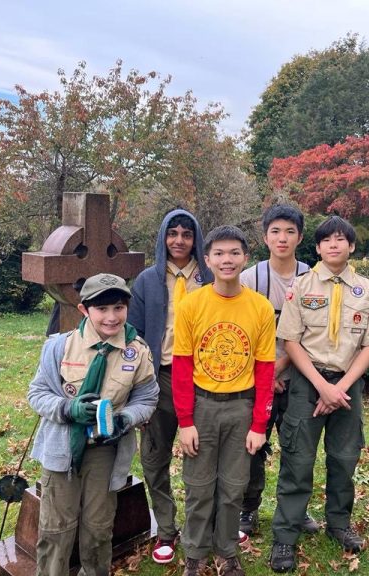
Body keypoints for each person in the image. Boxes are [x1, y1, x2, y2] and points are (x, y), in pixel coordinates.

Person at [268, 216, 369, 572]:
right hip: (308, 383)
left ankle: (338, 524)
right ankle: (285, 537)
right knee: (298, 461)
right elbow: (290, 340)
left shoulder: (366, 290)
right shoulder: (302, 286)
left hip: (348, 384)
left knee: (344, 458)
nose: (334, 245)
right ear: (317, 247)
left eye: (341, 239)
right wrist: (322, 386)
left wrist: (340, 387)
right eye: (327, 240)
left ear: (351, 246)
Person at [27, 273, 159, 576]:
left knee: (98, 529)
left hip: (105, 451)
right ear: (85, 309)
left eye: (118, 307)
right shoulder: (60, 347)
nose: (112, 317)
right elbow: (37, 393)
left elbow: (147, 397)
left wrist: (126, 419)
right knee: (56, 530)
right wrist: (66, 407)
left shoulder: (136, 352)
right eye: (102, 309)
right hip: (63, 450)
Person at [172, 225, 276, 576]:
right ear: (207, 259)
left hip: (241, 408)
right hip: (202, 407)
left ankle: (226, 551)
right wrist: (185, 422)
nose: (227, 260)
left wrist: (259, 425)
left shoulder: (259, 308)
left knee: (233, 488)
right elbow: (183, 368)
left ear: (246, 258)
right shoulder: (192, 305)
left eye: (234, 253)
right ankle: (195, 554)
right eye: (219, 253)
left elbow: (265, 371)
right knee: (199, 487)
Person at [128, 209, 213, 565]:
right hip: (159, 376)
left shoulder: (210, 277)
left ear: (197, 239)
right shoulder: (147, 280)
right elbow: (131, 335)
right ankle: (165, 528)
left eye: (186, 234)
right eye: (172, 233)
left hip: (202, 378)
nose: (179, 240)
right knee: (154, 456)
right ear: (163, 236)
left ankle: (202, 527)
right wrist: (138, 388)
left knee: (204, 456)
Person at [237, 204, 320, 537]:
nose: (282, 238)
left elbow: (316, 333)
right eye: (275, 231)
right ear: (265, 235)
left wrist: (280, 370)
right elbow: (239, 332)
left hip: (298, 378)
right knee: (252, 446)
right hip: (255, 380)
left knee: (298, 448)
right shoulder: (249, 278)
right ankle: (247, 508)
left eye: (289, 231)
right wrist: (264, 376)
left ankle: (295, 510)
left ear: (300, 236)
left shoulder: (313, 278)